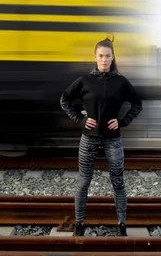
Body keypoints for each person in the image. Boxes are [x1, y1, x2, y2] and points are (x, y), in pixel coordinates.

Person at [59, 37, 143, 237]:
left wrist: (122, 121)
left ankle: (122, 224)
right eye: (100, 56)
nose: (104, 60)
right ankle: (79, 224)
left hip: (113, 139)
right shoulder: (85, 81)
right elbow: (65, 99)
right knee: (84, 181)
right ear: (95, 57)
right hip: (88, 138)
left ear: (113, 57)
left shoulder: (121, 82)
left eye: (107, 56)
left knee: (118, 181)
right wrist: (79, 119)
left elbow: (137, 104)